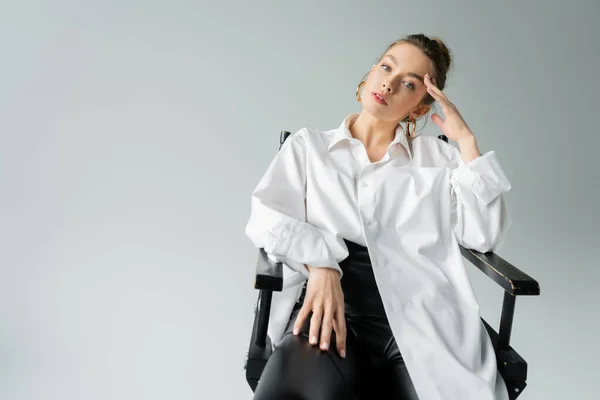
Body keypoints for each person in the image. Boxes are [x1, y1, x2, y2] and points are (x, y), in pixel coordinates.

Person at [245, 33, 512, 400]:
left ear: (420, 107)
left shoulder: (439, 160)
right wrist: (321, 265)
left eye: (408, 83)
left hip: (423, 317)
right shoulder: (309, 148)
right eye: (386, 67)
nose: (389, 82)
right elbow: (265, 217)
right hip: (333, 309)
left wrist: (467, 143)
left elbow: (483, 236)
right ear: (370, 74)